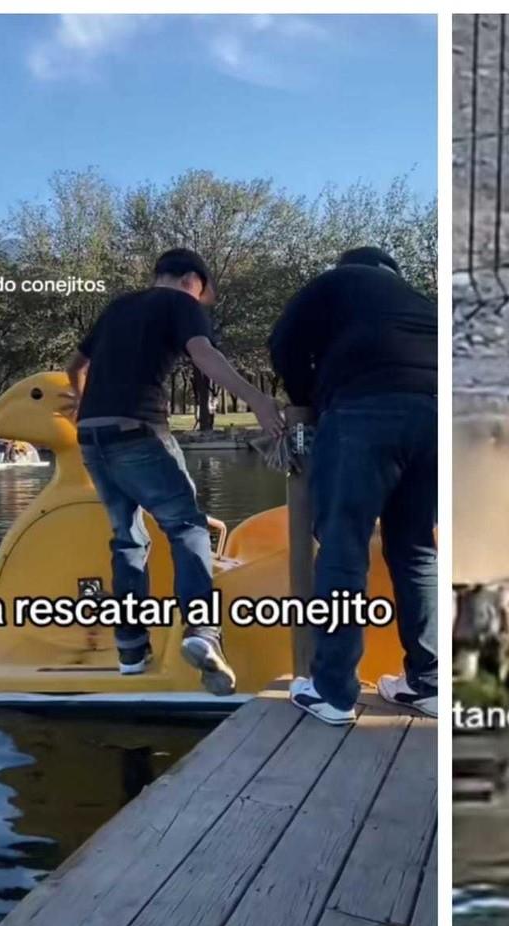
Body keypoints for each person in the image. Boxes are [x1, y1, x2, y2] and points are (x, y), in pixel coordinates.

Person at [65, 248, 284, 691]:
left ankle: (130, 649)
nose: (201, 304)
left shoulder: (118, 307)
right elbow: (203, 354)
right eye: (204, 294)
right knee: (188, 528)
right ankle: (203, 633)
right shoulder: (180, 304)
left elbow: (74, 366)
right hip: (139, 432)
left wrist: (80, 405)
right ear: (191, 279)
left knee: (128, 538)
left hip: (92, 434)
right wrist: (257, 400)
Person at [269, 246, 438, 724]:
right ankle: (427, 684)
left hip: (365, 408)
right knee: (418, 550)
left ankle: (334, 692)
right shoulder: (418, 300)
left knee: (343, 547)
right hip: (439, 413)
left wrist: (309, 400)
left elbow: (283, 343)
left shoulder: (335, 282)